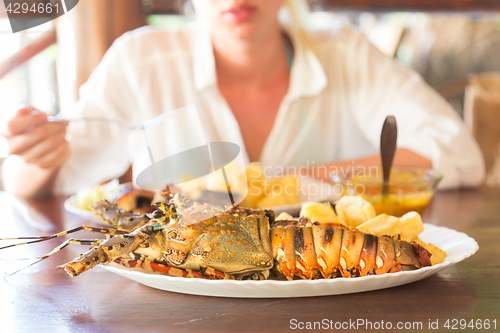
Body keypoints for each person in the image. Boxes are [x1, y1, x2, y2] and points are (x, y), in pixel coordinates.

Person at [1, 0, 485, 198]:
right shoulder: (140, 61)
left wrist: (284, 183)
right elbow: (38, 184)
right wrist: (36, 152)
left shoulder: (347, 55)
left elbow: (460, 155)